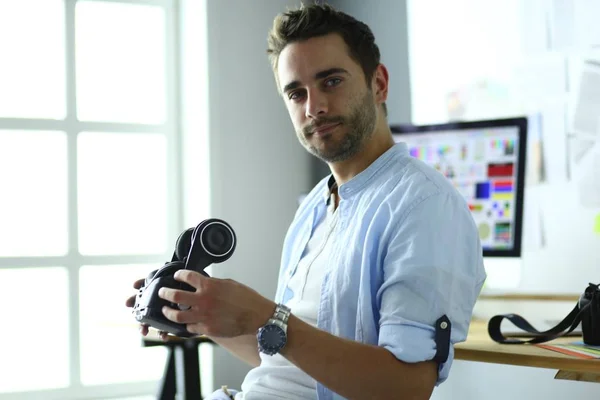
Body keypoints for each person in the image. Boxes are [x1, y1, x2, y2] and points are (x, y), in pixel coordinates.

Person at [126, 3, 486, 400]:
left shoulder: (425, 205)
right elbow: (285, 361)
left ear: (378, 84)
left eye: (331, 81)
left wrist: (266, 315)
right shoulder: (314, 206)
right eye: (296, 93)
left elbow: (406, 389)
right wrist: (205, 317)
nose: (313, 107)